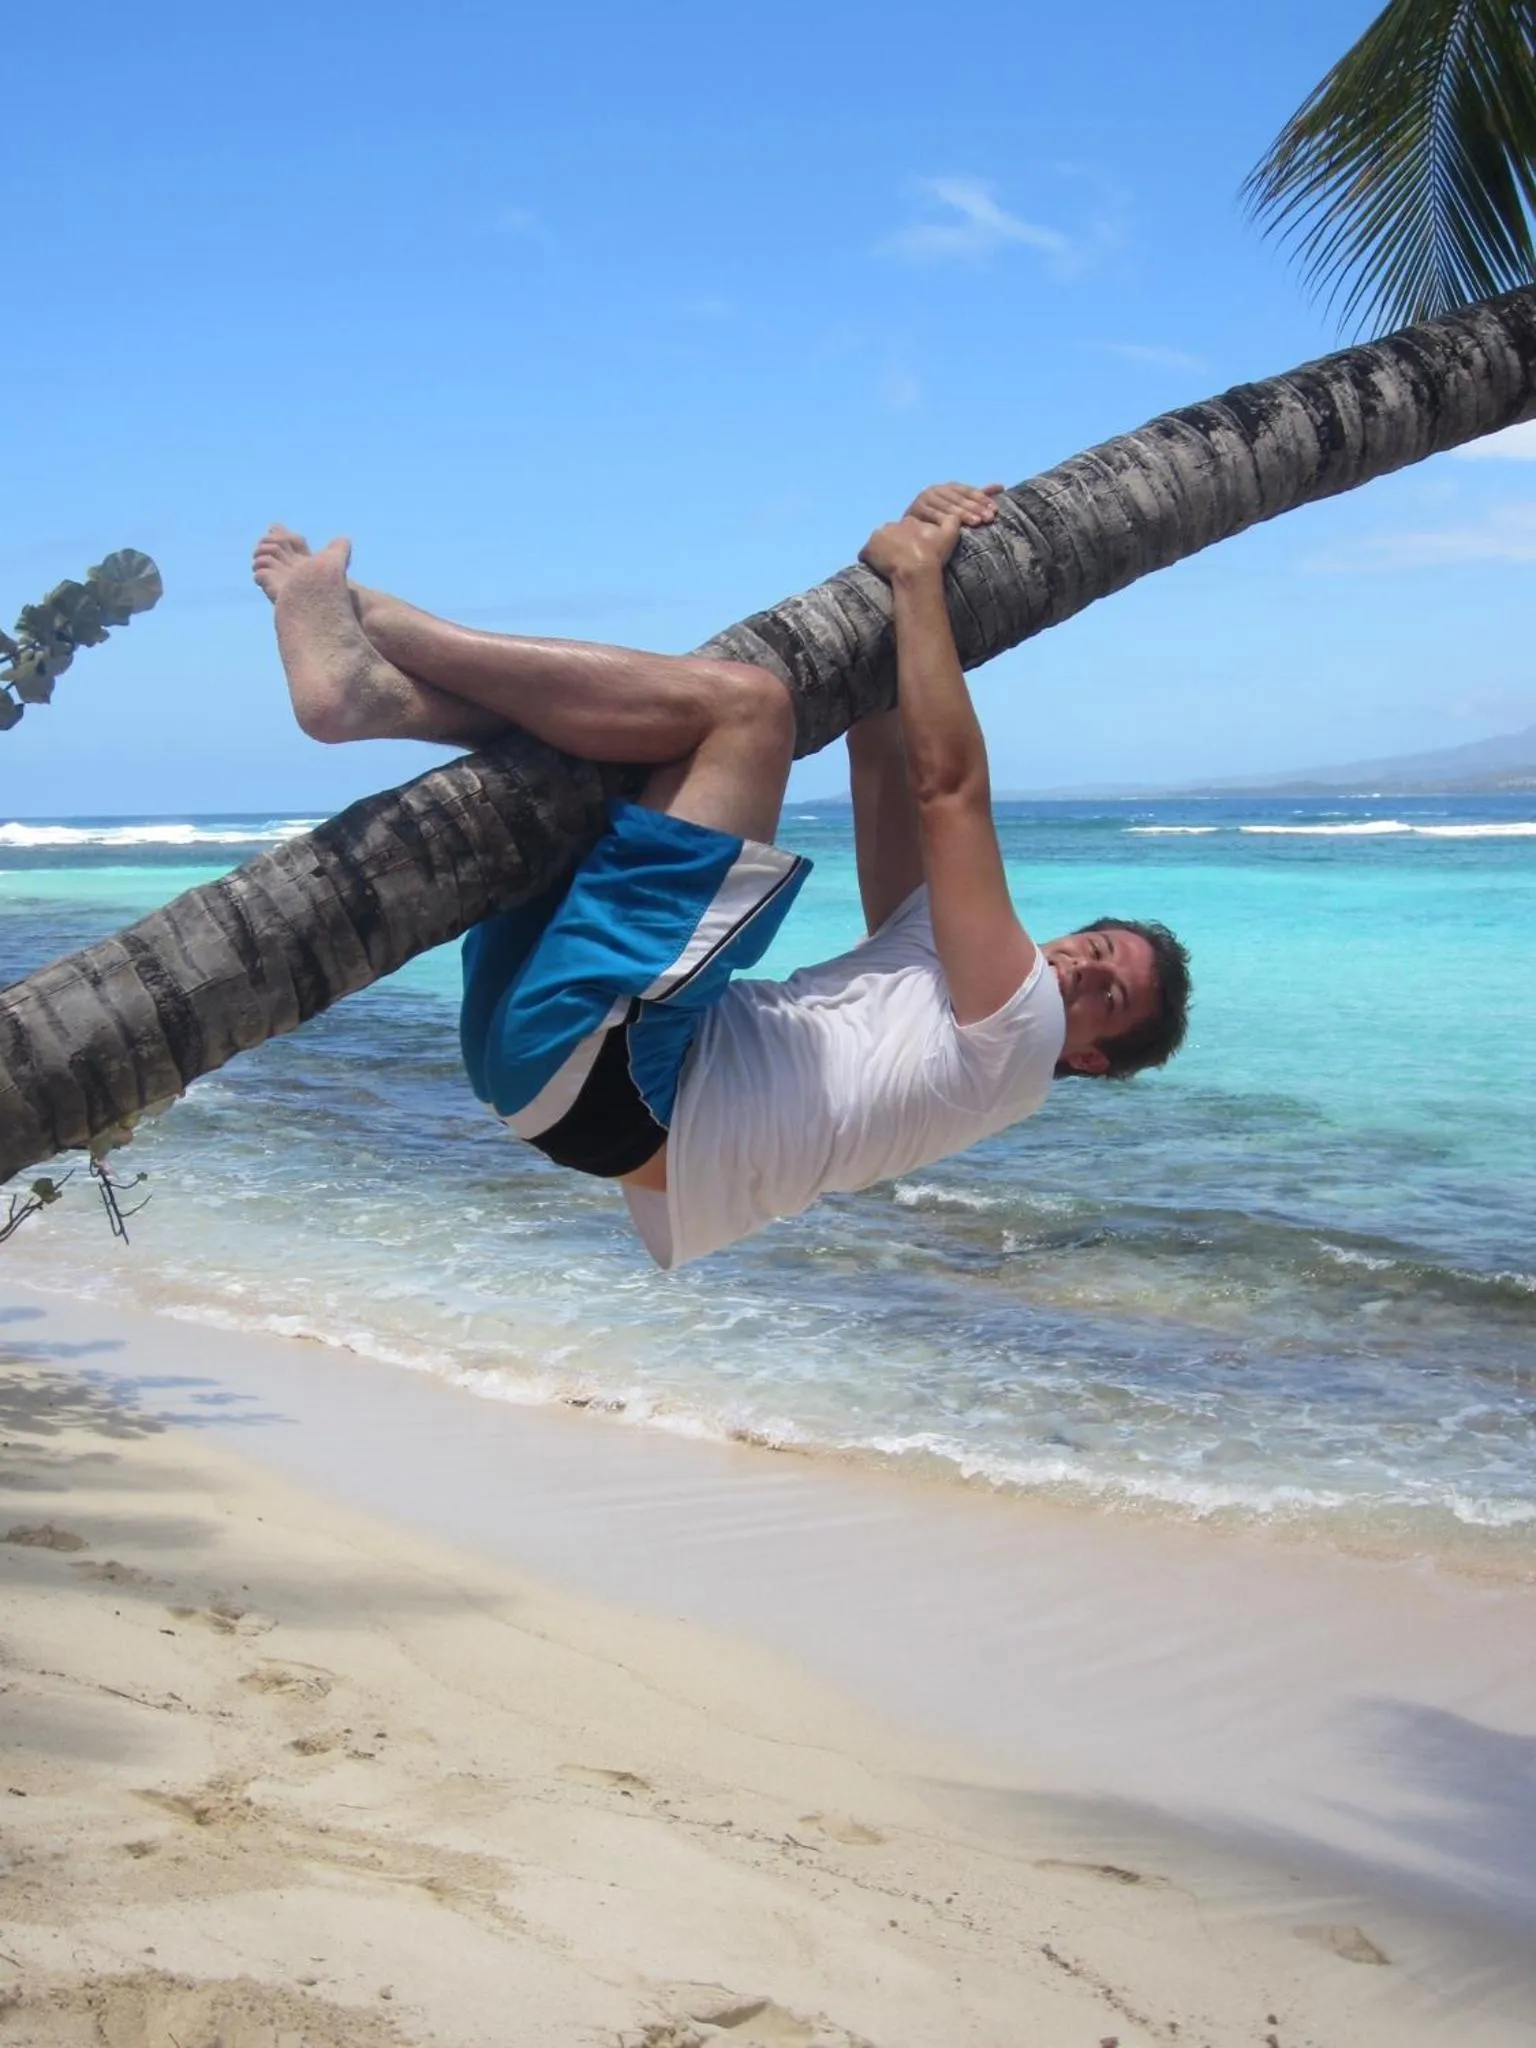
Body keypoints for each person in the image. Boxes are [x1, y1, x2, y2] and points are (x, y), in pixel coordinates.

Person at [253, 482, 1191, 1270]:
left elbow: (952, 791)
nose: (1079, 972)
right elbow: (883, 753)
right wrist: (901, 565)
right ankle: (374, 691)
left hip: (623, 1085)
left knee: (747, 710)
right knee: (600, 747)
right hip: (553, 1077)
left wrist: (915, 580)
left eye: (1108, 998)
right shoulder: (945, 977)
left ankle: (380, 631)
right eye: (1095, 950)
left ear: (1089, 1059)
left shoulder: (1017, 1044)